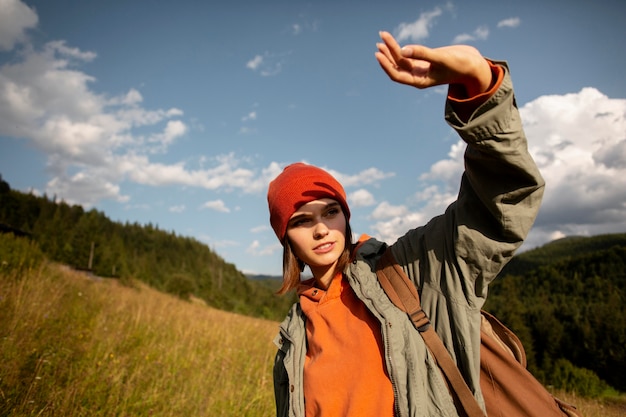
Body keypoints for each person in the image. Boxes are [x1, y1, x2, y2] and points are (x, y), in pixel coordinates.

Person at [266, 31, 545, 417]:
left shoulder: (409, 269)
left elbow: (500, 202)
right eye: (301, 221)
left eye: (330, 211)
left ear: (346, 216)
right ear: (286, 238)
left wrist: (478, 85)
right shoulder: (293, 334)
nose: (320, 229)